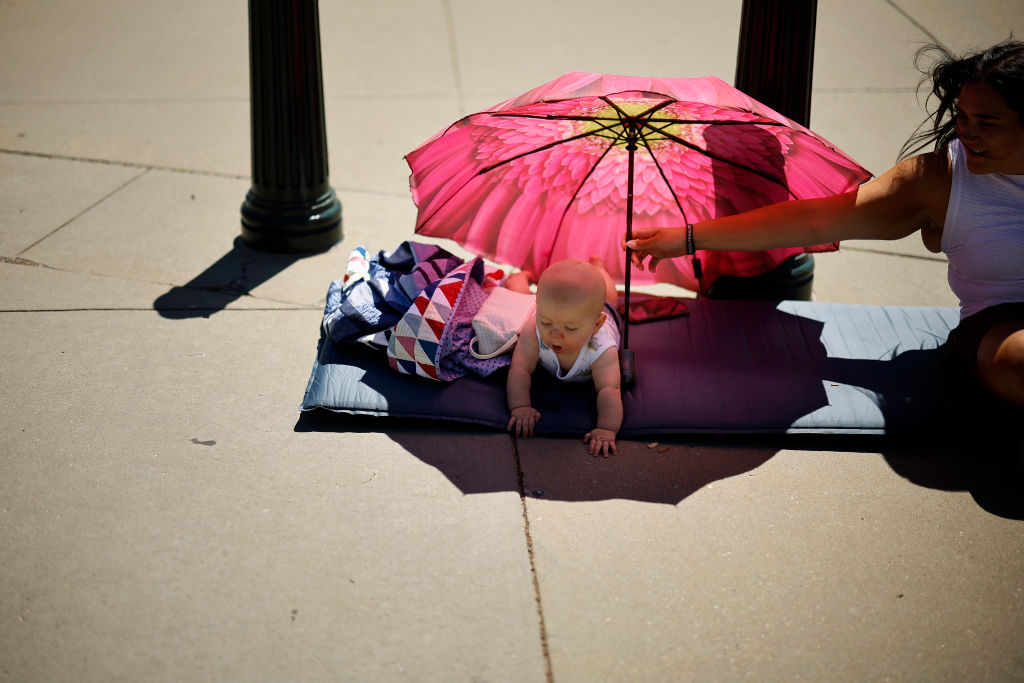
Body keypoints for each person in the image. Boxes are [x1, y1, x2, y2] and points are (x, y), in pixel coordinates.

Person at [626, 39, 1024, 409]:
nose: (967, 132)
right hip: (998, 331)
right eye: (962, 116)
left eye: (987, 123)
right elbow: (816, 221)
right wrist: (686, 238)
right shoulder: (939, 178)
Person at [505, 257, 623, 457]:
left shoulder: (602, 349)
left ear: (596, 325)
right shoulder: (535, 328)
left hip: (604, 312)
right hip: (548, 308)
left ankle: (599, 267)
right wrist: (520, 406)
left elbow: (609, 389)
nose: (555, 335)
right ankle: (519, 277)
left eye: (571, 328)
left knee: (610, 299)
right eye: (546, 323)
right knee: (519, 300)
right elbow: (520, 369)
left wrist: (606, 428)